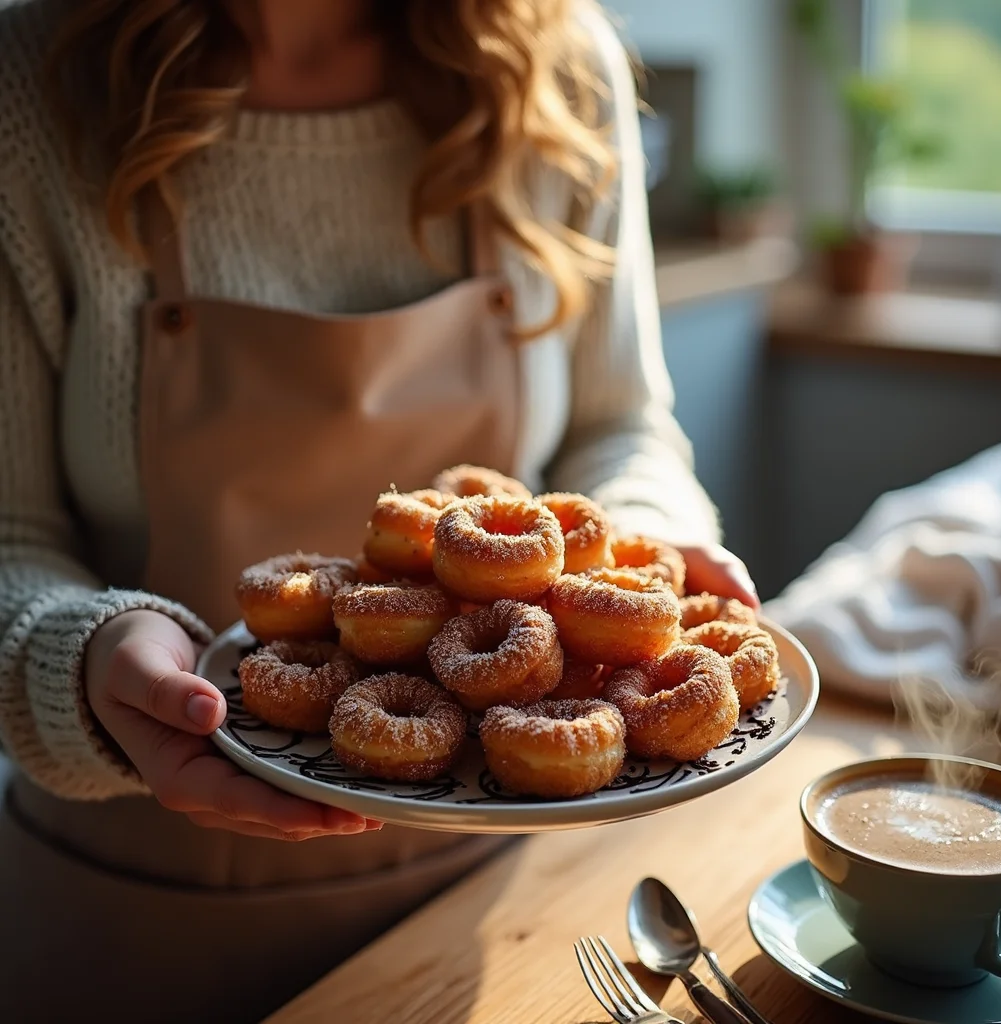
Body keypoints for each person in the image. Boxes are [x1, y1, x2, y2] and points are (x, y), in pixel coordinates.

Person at [0, 0, 758, 1019]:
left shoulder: (554, 65)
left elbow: (617, 424)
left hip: (496, 879)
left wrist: (649, 533)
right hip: (141, 896)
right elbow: (10, 537)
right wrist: (79, 660)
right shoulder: (30, 91)